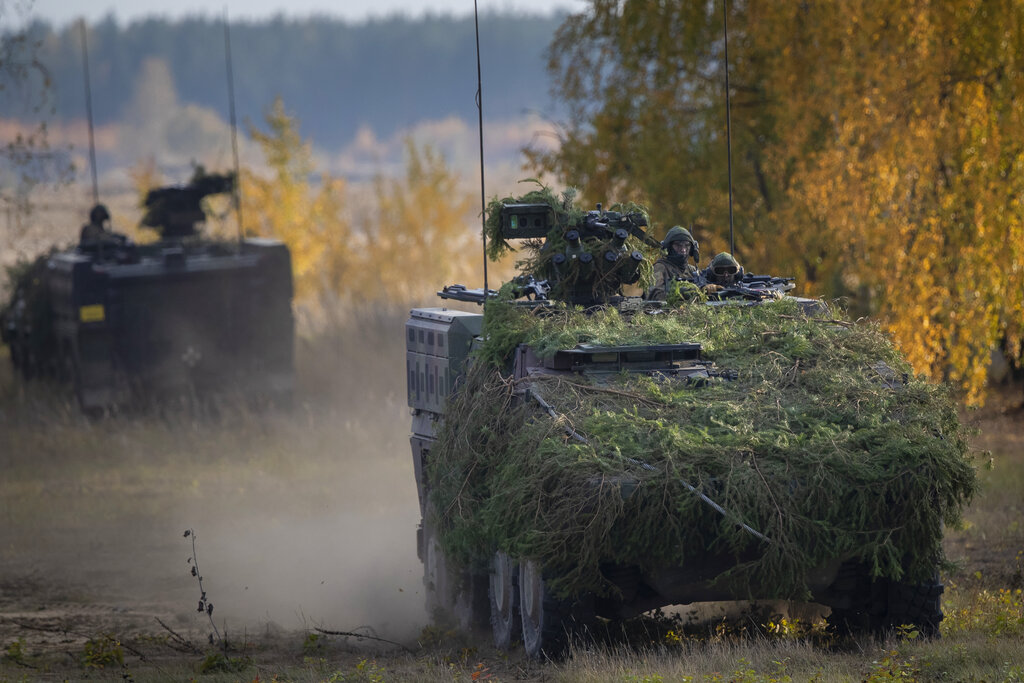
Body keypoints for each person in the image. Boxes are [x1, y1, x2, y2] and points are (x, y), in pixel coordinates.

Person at [646, 225, 700, 300]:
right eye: (678, 245)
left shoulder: (692, 270)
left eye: (687, 245)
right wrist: (679, 294)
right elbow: (655, 296)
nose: (683, 250)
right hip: (667, 311)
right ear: (669, 247)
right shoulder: (660, 267)